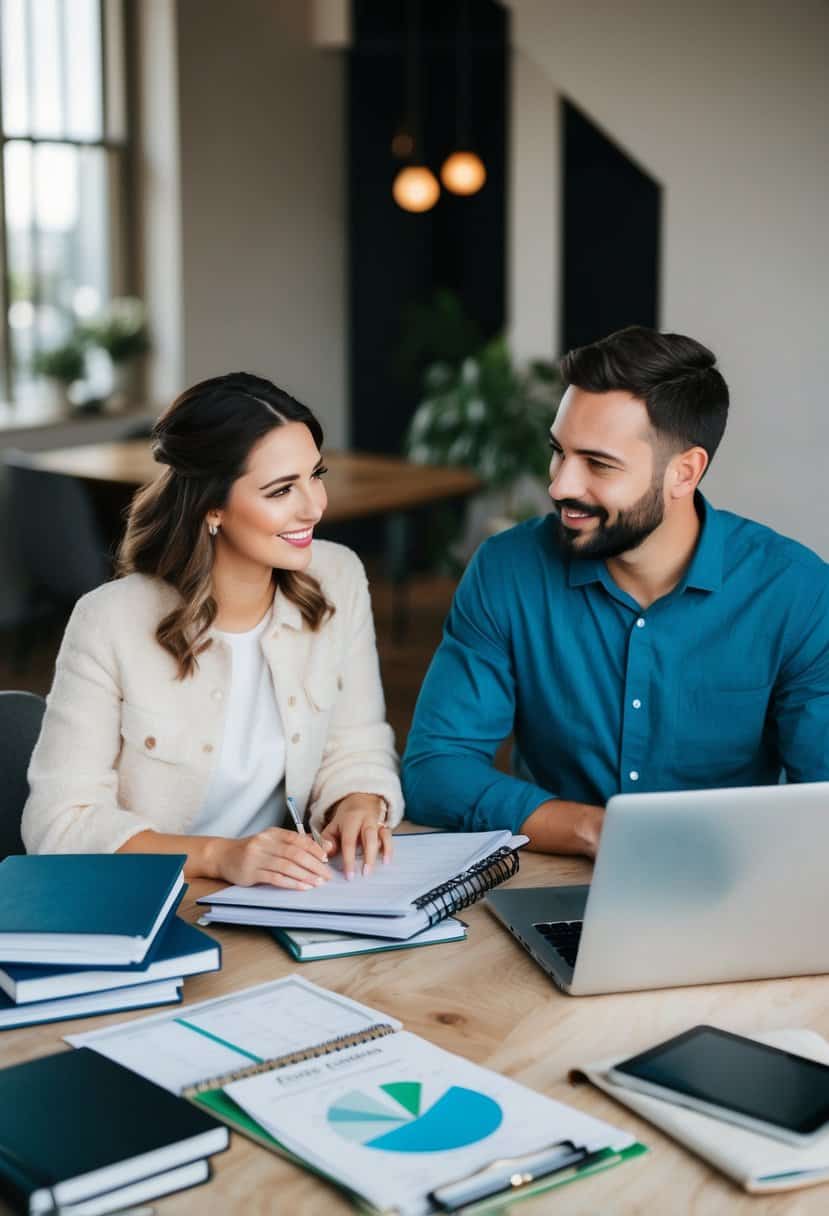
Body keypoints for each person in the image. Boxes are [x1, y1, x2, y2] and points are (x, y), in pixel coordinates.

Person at [402, 326, 829, 856]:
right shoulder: (506, 570)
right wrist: (599, 832)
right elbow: (435, 770)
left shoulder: (795, 590)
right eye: (559, 452)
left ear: (684, 472)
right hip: (549, 875)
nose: (559, 485)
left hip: (729, 886)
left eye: (598, 464)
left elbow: (823, 794)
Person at [23, 372, 403, 886]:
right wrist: (220, 857)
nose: (315, 506)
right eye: (281, 490)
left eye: (316, 474)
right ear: (213, 507)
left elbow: (357, 743)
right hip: (151, 903)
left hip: (283, 898)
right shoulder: (108, 622)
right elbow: (58, 824)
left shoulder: (338, 579)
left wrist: (358, 800)